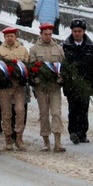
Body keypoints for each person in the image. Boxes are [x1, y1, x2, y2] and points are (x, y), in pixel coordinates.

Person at [62, 18, 93, 145]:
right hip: (71, 83)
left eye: (79, 31)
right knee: (73, 108)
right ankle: (73, 131)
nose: (77, 33)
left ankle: (82, 133)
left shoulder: (92, 47)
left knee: (83, 109)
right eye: (75, 31)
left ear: (84, 31)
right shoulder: (65, 47)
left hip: (86, 82)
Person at [30, 22, 67, 152]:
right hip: (41, 86)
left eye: (50, 34)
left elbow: (64, 66)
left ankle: (58, 141)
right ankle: (46, 141)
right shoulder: (34, 49)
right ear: (41, 34)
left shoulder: (58, 48)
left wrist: (61, 77)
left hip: (54, 86)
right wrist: (36, 79)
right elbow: (31, 68)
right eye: (45, 34)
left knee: (56, 112)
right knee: (44, 113)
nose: (48, 36)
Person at [0, 26, 30, 151]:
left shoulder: (23, 50)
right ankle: (8, 137)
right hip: (5, 86)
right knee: (6, 112)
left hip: (19, 86)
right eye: (7, 36)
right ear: (4, 37)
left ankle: (19, 137)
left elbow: (27, 65)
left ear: (16, 37)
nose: (10, 38)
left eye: (12, 36)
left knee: (20, 110)